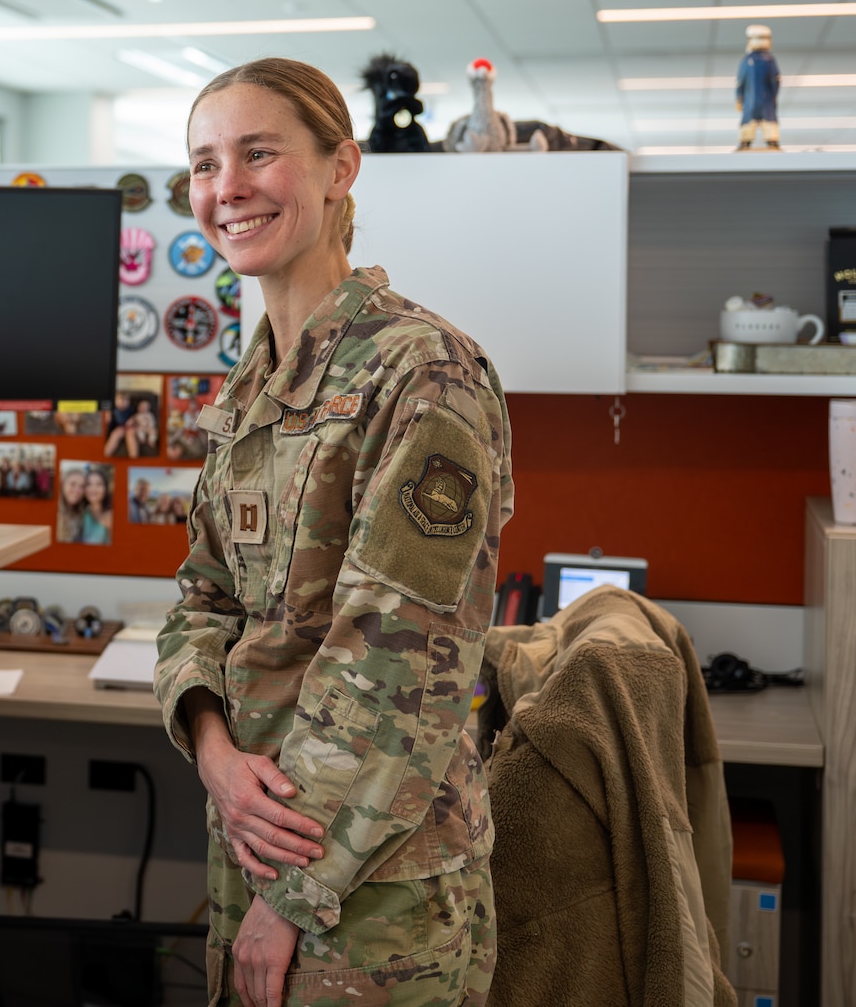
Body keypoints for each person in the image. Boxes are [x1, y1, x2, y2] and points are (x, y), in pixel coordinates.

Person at [155, 58, 513, 1007]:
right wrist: (213, 751)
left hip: (370, 885)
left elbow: (400, 662)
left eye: (258, 153)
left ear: (340, 169)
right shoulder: (251, 385)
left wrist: (294, 893)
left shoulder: (423, 373)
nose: (225, 187)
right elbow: (200, 597)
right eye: (204, 163)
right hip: (253, 835)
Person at [80, 465, 115, 545]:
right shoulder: (82, 512)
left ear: (106, 488)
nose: (93, 489)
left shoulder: (110, 516)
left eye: (99, 484)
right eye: (89, 484)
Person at [56, 466, 87, 543]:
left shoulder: (82, 512)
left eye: (82, 486)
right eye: (72, 484)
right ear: (62, 485)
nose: (77, 490)